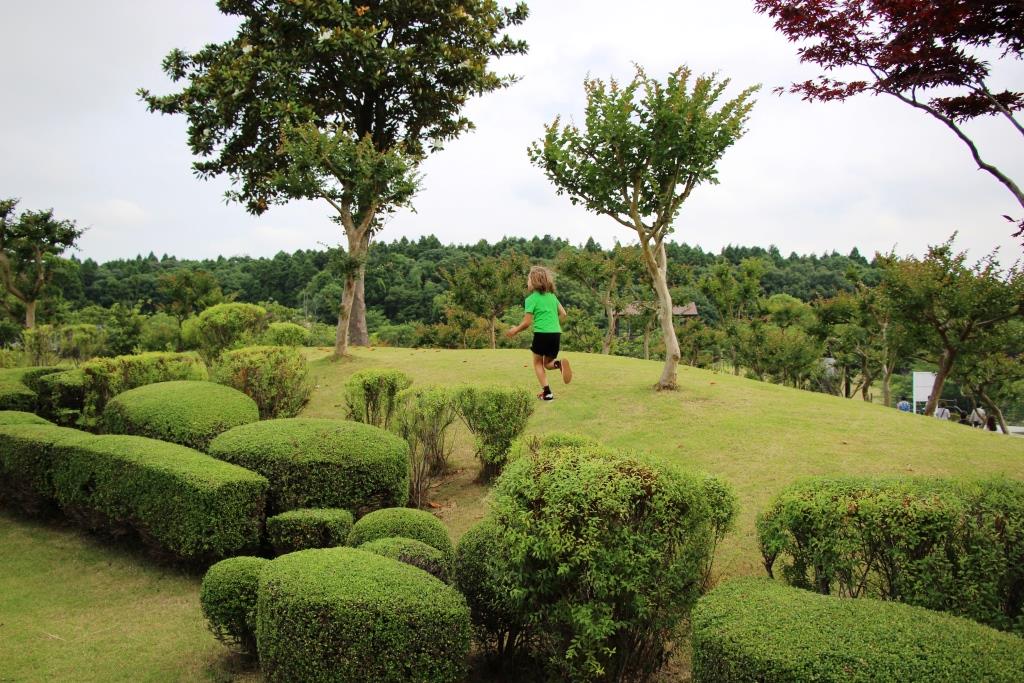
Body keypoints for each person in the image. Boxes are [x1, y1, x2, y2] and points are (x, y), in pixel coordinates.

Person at [506, 265, 572, 401]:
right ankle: (558, 364)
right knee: (548, 363)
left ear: (534, 281)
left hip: (542, 334)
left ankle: (547, 393)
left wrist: (515, 330)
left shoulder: (531, 299)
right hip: (555, 334)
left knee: (537, 363)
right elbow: (564, 314)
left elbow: (527, 323)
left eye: (528, 279)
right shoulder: (552, 297)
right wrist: (552, 324)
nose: (527, 282)